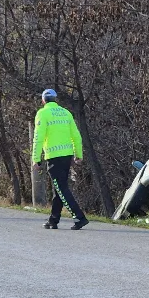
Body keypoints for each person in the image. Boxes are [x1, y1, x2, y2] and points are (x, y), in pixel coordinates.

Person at [31, 89, 89, 230]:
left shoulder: (42, 113)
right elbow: (76, 135)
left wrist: (36, 159)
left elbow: (38, 138)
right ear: (56, 99)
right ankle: (53, 219)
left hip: (54, 157)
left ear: (43, 100)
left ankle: (79, 217)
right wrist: (78, 154)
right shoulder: (66, 112)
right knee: (59, 188)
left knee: (61, 188)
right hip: (67, 155)